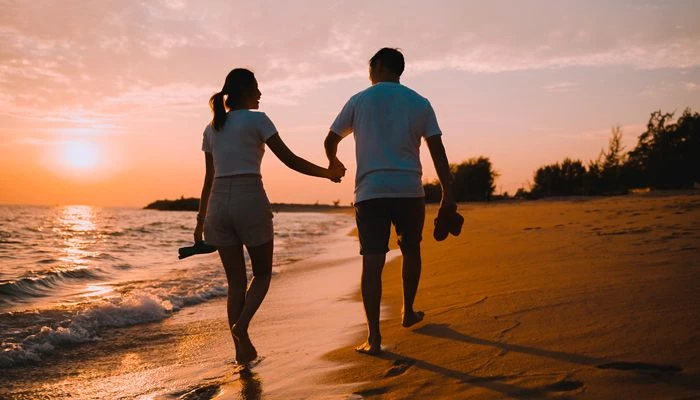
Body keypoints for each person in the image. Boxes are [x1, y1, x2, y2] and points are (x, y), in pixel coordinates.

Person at [195, 68, 345, 364]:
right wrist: (327, 174)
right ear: (246, 91)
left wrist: (200, 221)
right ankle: (242, 327)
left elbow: (208, 180)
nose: (261, 94)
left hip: (217, 207)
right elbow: (290, 160)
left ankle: (241, 350)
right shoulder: (258, 120)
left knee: (236, 282)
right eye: (258, 88)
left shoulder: (212, 127)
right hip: (248, 197)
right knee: (262, 274)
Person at [324, 48, 456, 355]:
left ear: (379, 66)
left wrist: (333, 164)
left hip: (370, 192)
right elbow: (438, 149)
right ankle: (408, 311)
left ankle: (374, 338)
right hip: (409, 190)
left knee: (372, 262)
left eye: (370, 67)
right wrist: (449, 192)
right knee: (411, 250)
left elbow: (331, 139)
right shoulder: (420, 102)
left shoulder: (359, 100)